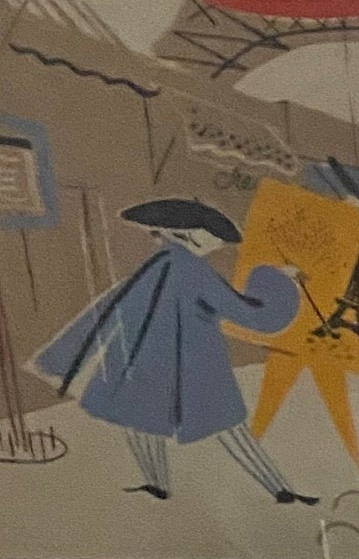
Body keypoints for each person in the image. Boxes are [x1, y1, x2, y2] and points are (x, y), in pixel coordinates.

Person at [31, 197, 318, 503]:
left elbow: (110, 308)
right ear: (187, 233)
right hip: (193, 362)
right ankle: (279, 488)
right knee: (228, 427)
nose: (218, 244)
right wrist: (278, 281)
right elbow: (248, 313)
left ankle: (158, 483)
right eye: (214, 237)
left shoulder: (157, 265)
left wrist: (67, 356)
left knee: (140, 422)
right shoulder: (192, 270)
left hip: (140, 358)